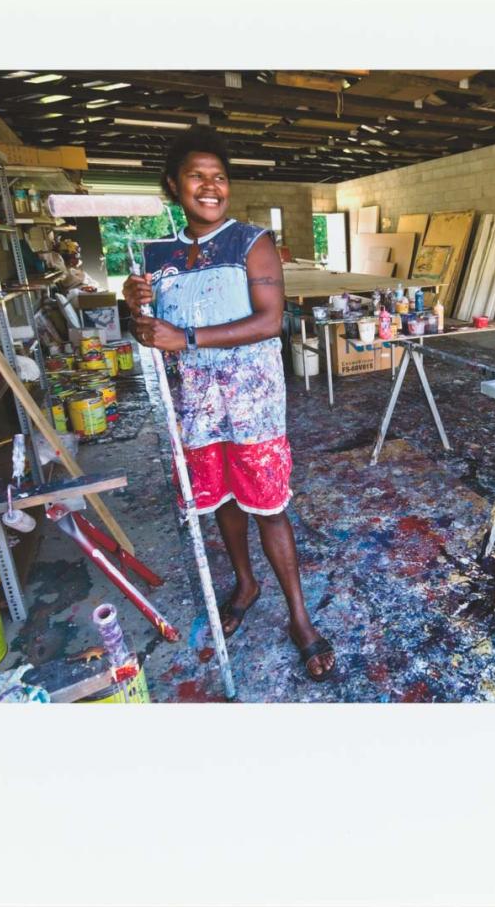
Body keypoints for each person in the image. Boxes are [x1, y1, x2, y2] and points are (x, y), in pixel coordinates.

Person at [123, 126, 335, 682]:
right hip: (195, 403)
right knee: (222, 499)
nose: (211, 187)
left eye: (219, 177)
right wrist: (136, 310)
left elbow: (269, 320)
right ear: (174, 185)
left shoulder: (251, 241)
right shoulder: (158, 255)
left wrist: (186, 339)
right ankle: (246, 582)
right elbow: (150, 335)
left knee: (268, 503)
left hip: (252, 399)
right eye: (197, 176)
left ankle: (299, 618)